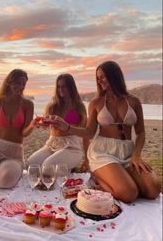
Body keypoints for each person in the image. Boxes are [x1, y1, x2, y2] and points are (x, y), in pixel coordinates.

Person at [51, 61, 161, 203]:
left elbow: (140, 133)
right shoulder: (96, 103)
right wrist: (67, 127)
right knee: (129, 194)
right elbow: (89, 133)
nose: (99, 81)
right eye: (98, 78)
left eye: (103, 77)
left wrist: (136, 155)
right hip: (103, 152)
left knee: (154, 189)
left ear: (114, 76)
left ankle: (122, 175)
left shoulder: (134, 101)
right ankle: (98, 178)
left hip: (128, 152)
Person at [27, 73, 87, 172]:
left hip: (71, 146)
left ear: (71, 87)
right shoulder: (53, 106)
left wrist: (87, 160)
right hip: (52, 144)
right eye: (59, 87)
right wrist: (42, 124)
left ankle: (65, 171)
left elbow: (85, 133)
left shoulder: (79, 107)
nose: (61, 89)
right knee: (30, 166)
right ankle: (65, 169)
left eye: (64, 87)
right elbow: (47, 125)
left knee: (47, 167)